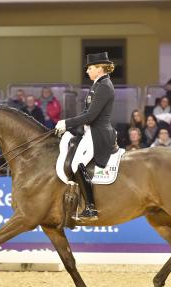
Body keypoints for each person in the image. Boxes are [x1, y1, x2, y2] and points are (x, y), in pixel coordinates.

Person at [55, 52, 117, 221]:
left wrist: (66, 122)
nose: (87, 71)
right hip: (90, 131)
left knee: (77, 164)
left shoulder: (104, 86)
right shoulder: (97, 84)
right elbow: (86, 113)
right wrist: (70, 125)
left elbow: (91, 116)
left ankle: (91, 207)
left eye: (90, 68)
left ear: (100, 68)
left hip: (99, 134)